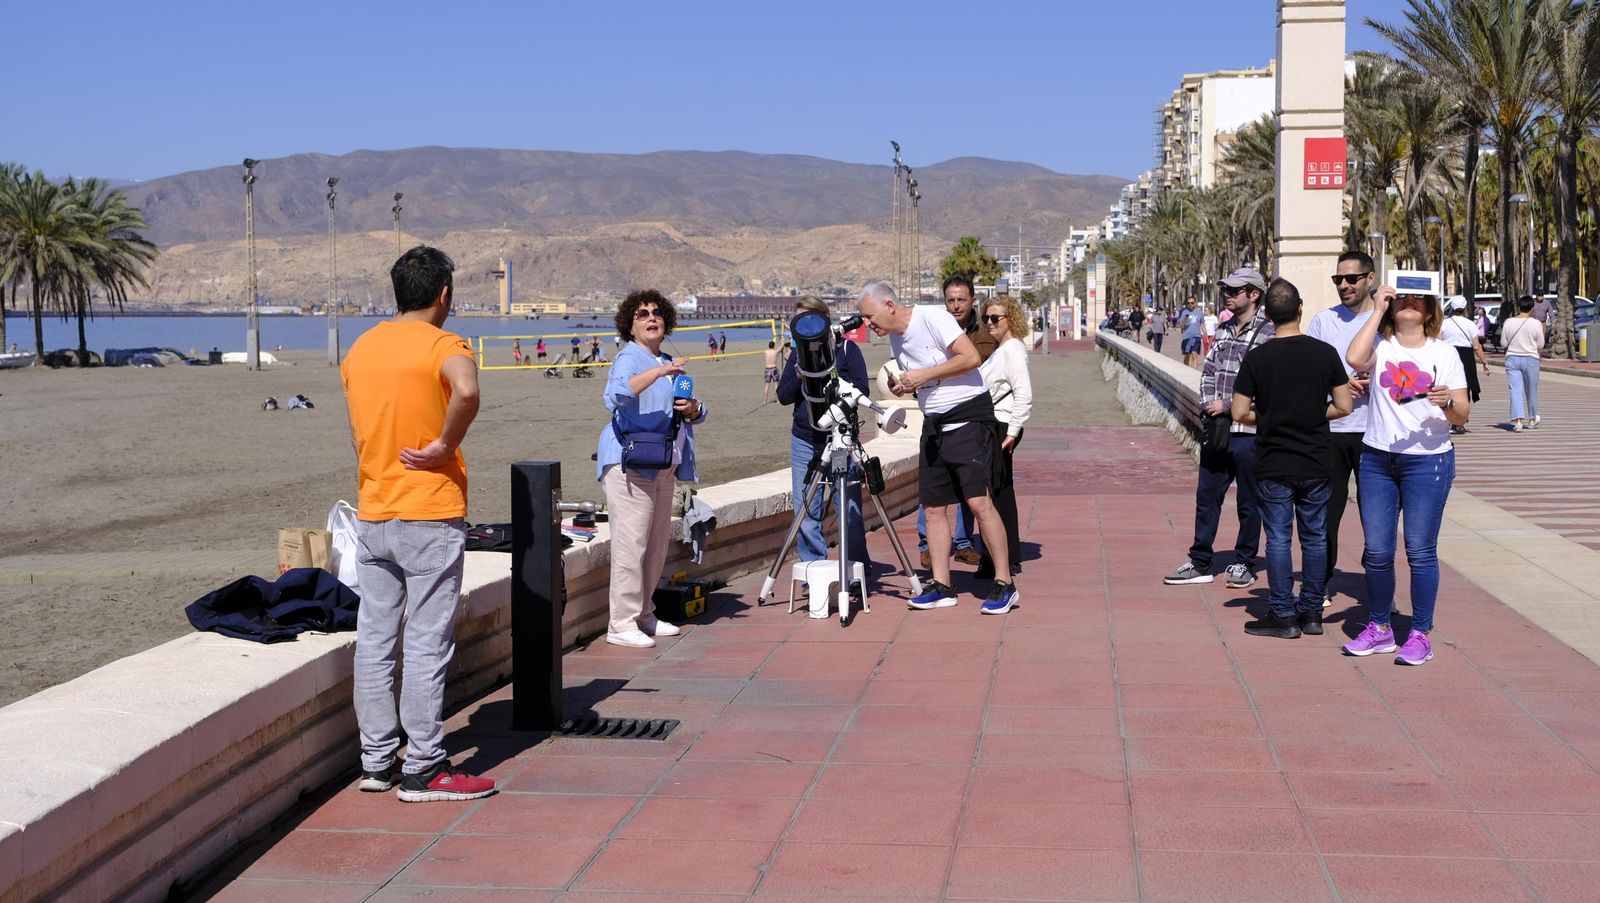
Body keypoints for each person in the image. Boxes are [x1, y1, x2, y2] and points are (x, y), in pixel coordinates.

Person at [339, 245, 494, 802]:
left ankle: (377, 762)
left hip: (375, 511)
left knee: (376, 641)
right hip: (429, 511)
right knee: (427, 642)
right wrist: (444, 445)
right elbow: (469, 390)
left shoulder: (361, 348)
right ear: (443, 294)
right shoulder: (444, 343)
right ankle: (424, 767)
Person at [858, 281, 1019, 614]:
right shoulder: (895, 337)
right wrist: (905, 384)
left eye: (869, 316)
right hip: (934, 425)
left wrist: (922, 375)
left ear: (889, 305)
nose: (867, 324)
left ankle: (1005, 583)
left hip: (968, 419)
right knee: (932, 508)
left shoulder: (932, 317)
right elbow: (926, 380)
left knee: (978, 502)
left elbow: (971, 357)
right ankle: (943, 586)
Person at [1342, 274, 1471, 666]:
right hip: (1377, 459)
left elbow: (1462, 414)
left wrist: (1447, 400)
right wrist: (1377, 306)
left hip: (1428, 462)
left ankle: (1420, 634)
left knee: (1420, 551)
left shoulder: (1444, 352)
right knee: (1378, 552)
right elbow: (1353, 359)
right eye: (1401, 298)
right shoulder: (1381, 346)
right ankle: (1379, 628)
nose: (1409, 303)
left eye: (1418, 298)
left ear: (1430, 309)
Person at [1232, 278, 1353, 638]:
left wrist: (1269, 418)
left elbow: (1239, 412)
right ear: (1301, 310)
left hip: (1273, 460)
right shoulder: (1324, 353)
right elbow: (1344, 405)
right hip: (1316, 459)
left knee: (1279, 538)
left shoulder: (1257, 358)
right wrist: (1313, 415)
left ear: (1267, 315)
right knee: (1315, 537)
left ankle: (1283, 615)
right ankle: (1312, 612)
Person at [596, 289, 708, 648]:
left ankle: (644, 613)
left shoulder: (670, 361)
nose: (651, 317)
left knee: (656, 544)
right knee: (631, 544)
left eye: (657, 312)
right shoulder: (630, 358)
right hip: (629, 464)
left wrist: (692, 407)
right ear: (630, 324)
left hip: (664, 464)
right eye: (642, 313)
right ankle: (620, 623)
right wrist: (659, 372)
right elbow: (615, 396)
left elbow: (697, 412)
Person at [1166, 268, 1273, 588]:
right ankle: (1200, 560)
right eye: (1226, 288)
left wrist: (1230, 405)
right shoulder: (1224, 330)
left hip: (1250, 432)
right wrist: (1209, 405)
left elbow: (1268, 385)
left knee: (1249, 501)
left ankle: (1244, 561)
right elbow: (1208, 370)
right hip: (1218, 430)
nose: (1228, 293)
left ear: (1254, 295)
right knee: (1207, 495)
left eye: (1235, 289)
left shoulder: (1269, 333)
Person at [776, 297, 870, 572]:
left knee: (848, 510)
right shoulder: (798, 354)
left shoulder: (847, 350)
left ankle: (854, 569)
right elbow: (783, 396)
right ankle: (813, 568)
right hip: (805, 438)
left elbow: (862, 390)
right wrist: (800, 377)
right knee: (806, 509)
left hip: (840, 439)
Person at [1306, 251, 1377, 608]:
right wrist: (1341, 387)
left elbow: (1403, 373)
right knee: (1325, 512)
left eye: (1351, 279)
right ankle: (1320, 582)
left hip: (1374, 434)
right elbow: (1310, 375)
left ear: (1370, 279)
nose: (1344, 286)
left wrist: (1373, 382)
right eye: (1339, 280)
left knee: (1376, 512)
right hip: (1331, 431)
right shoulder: (1323, 322)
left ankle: (1378, 582)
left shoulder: (1387, 322)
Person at [915, 275, 994, 569]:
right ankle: (927, 545)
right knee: (932, 493)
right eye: (951, 300)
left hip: (970, 414)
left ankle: (963, 543)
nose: (956, 305)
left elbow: (973, 362)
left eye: (961, 299)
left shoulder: (982, 335)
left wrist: (939, 367)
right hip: (937, 415)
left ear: (972, 301)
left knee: (971, 490)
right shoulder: (933, 329)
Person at [976, 296, 1033, 579]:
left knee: (997, 493)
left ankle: (1005, 558)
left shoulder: (1012, 350)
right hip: (996, 425)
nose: (989, 323)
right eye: (986, 318)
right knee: (996, 491)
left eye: (995, 318)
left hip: (1001, 426)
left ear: (1011, 319)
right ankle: (996, 556)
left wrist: (1012, 432)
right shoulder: (1002, 349)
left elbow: (1024, 392)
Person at [1442, 298, 1491, 428]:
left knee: (1447, 384)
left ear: (1451, 308)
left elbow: (1438, 342)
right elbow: (1476, 346)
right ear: (1464, 309)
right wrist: (1484, 362)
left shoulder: (1444, 324)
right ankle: (1461, 420)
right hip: (1466, 356)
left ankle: (1448, 417)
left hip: (1448, 354)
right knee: (1464, 386)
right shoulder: (1470, 324)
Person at [1502, 295, 1545, 432]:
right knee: (1531, 389)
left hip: (1512, 358)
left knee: (1515, 390)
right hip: (1531, 358)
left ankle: (1518, 421)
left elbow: (1503, 343)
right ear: (1532, 309)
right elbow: (1541, 344)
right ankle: (1532, 418)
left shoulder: (1508, 322)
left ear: (1519, 307)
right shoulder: (1536, 324)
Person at [1179, 297, 1205, 368]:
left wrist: (1206, 336)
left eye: (1192, 303)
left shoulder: (1200, 313)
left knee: (1194, 354)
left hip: (1196, 336)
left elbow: (1202, 324)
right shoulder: (1184, 312)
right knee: (1186, 356)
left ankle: (1194, 372)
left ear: (1195, 303)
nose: (1190, 304)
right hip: (1186, 337)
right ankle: (1186, 369)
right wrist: (1185, 319)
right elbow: (1181, 325)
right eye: (1188, 303)